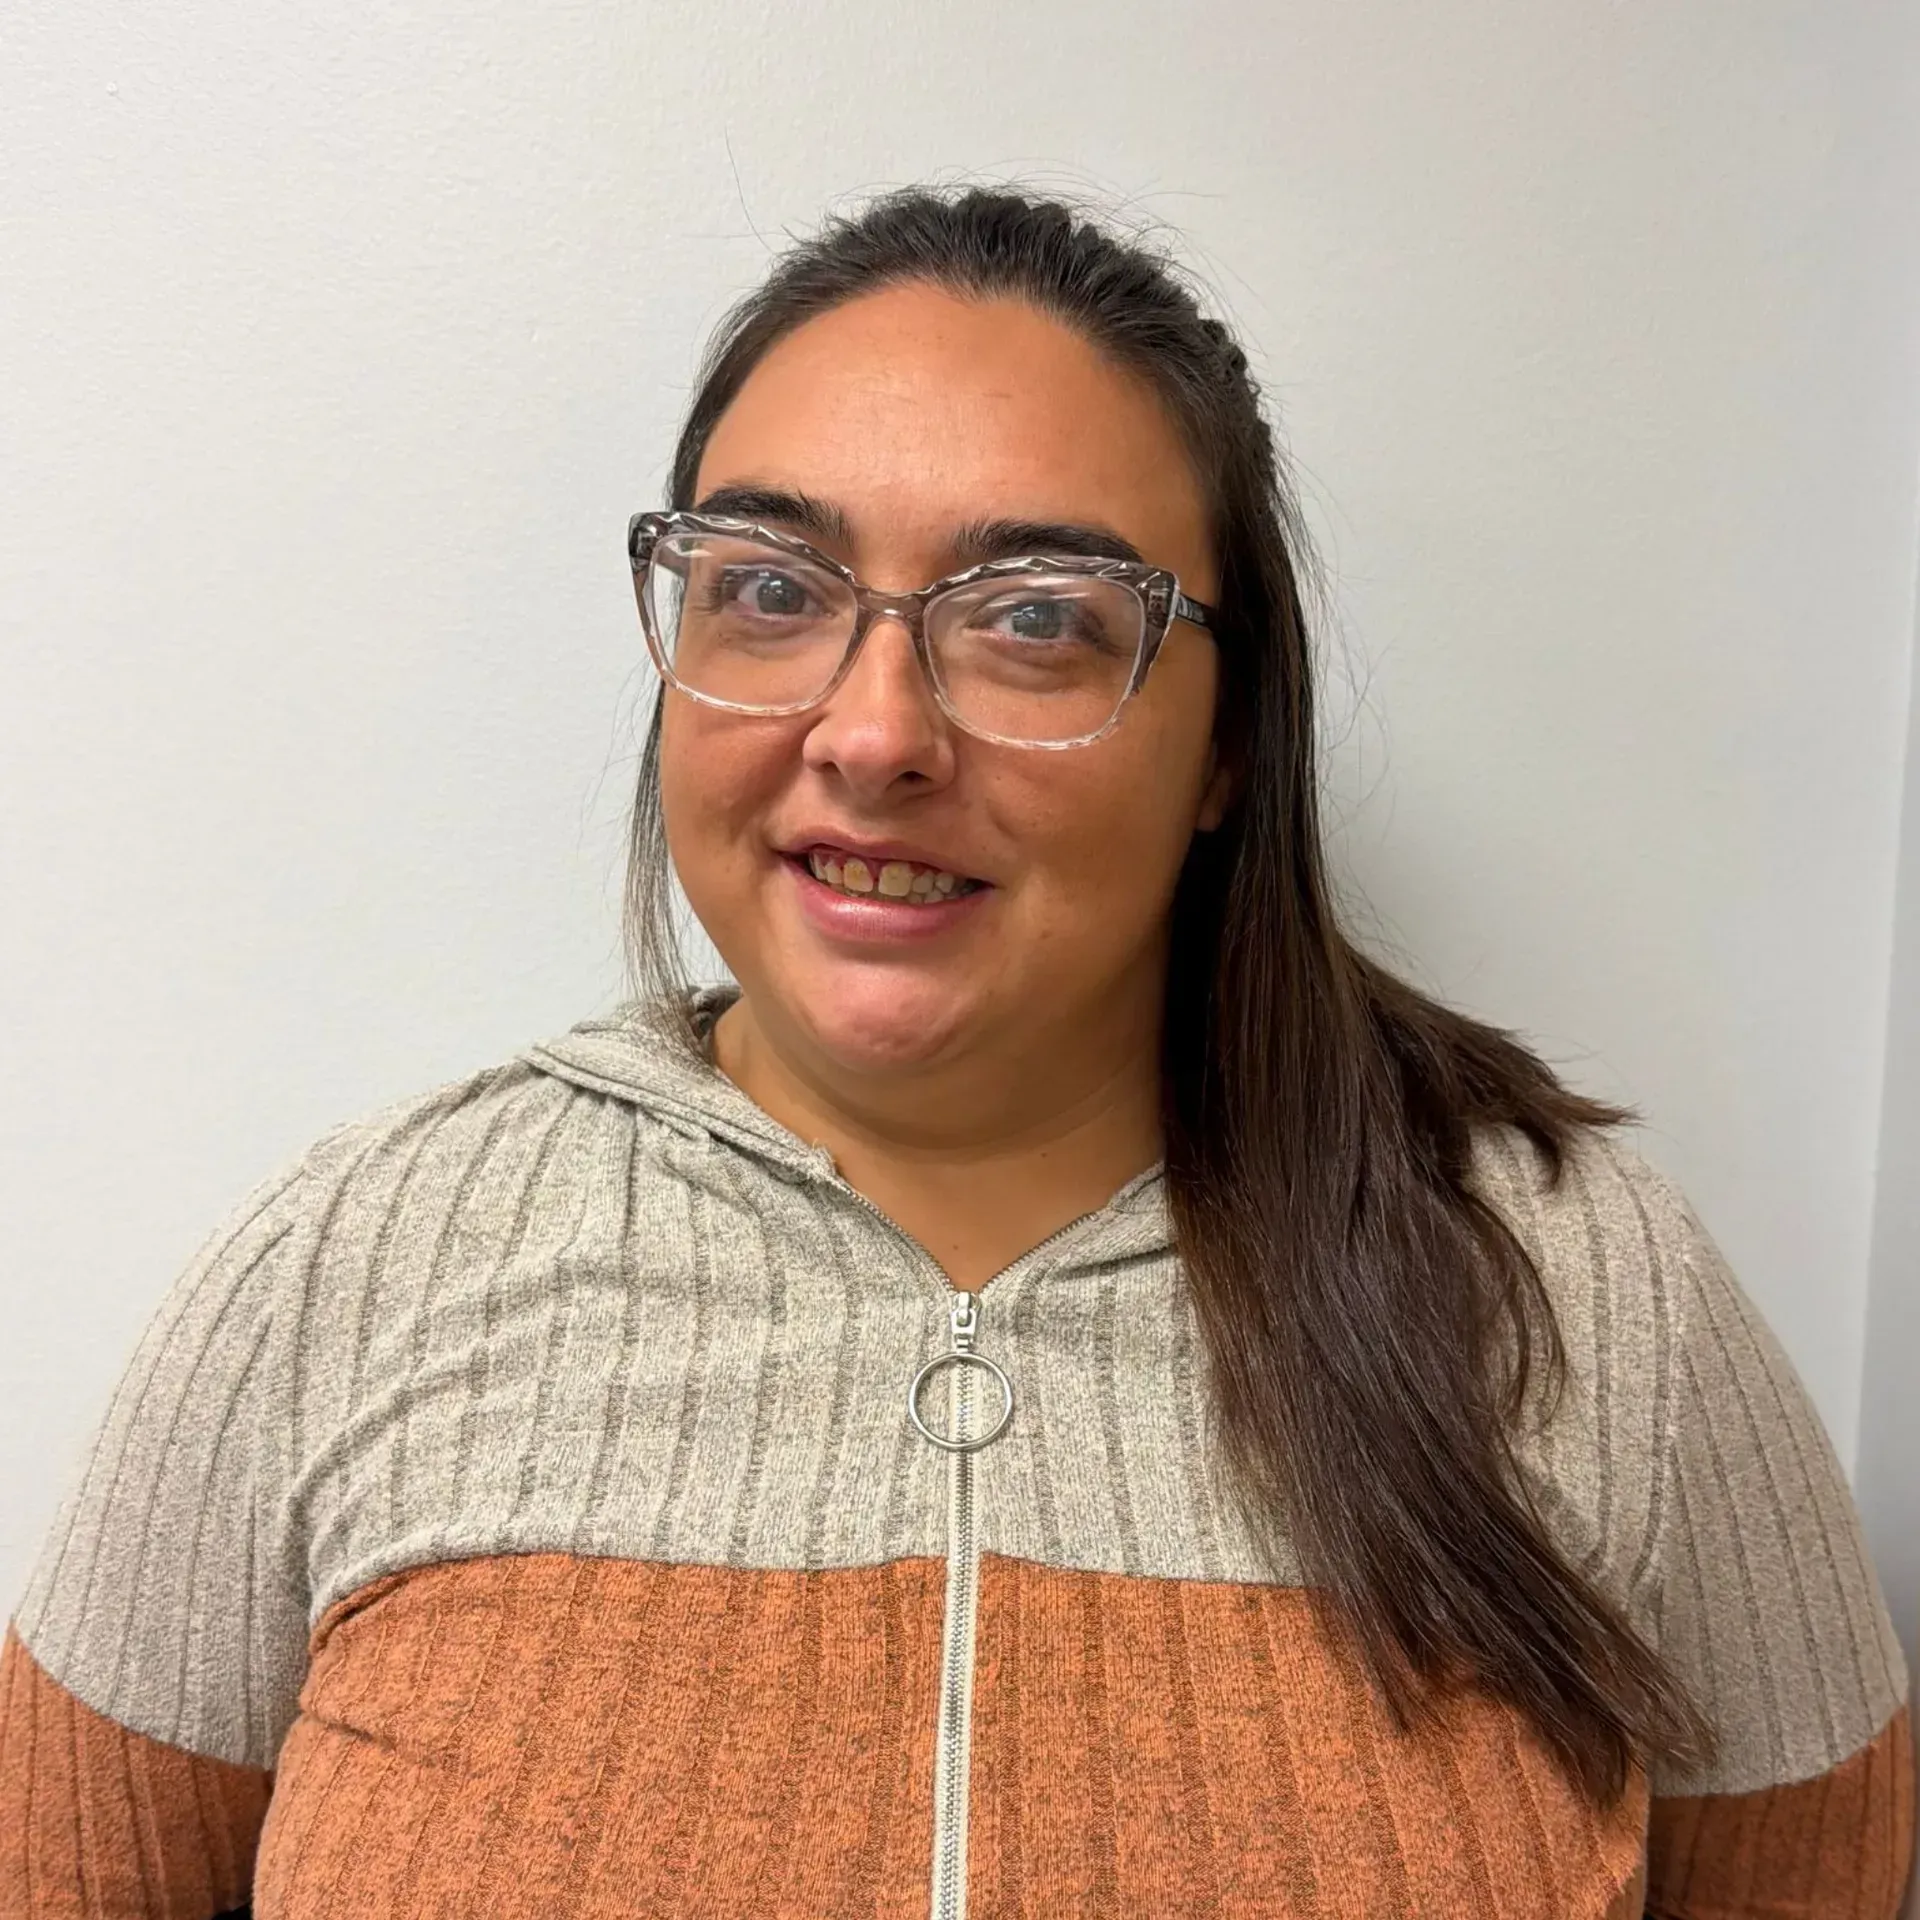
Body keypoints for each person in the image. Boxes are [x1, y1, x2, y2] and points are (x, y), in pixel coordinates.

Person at [1, 185, 1911, 1920]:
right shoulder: (346, 1267)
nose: (876, 729)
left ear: (1231, 749)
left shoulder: (1593, 1297)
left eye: (1037, 624)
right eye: (769, 588)